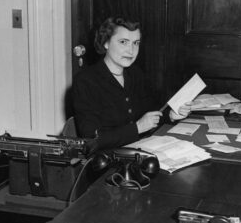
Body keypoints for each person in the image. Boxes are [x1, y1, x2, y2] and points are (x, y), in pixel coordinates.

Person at [73, 16, 192, 150]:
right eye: (123, 42)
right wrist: (138, 128)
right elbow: (91, 140)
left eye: (136, 43)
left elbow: (153, 110)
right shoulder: (85, 81)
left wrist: (171, 115)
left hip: (141, 150)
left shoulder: (135, 74)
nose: (131, 50)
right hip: (107, 161)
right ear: (106, 43)